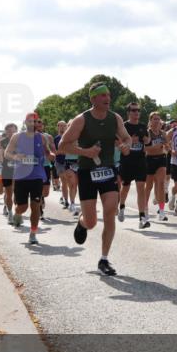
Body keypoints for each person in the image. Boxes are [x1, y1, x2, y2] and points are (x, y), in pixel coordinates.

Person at [58, 84, 133, 276]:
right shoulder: (81, 120)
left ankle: (104, 259)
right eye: (102, 95)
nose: (107, 98)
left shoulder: (114, 118)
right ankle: (82, 223)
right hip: (87, 172)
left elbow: (127, 138)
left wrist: (125, 146)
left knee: (110, 211)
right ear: (93, 99)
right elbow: (63, 145)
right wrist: (85, 152)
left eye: (108, 94)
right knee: (91, 221)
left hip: (108, 170)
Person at [5, 113, 55, 244]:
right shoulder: (17, 137)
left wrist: (52, 156)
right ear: (25, 122)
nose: (33, 124)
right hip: (21, 177)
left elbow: (48, 152)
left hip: (37, 176)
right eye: (30, 121)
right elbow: (7, 153)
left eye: (36, 121)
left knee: (35, 206)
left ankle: (33, 233)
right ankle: (17, 213)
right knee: (22, 207)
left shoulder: (42, 138)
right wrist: (16, 157)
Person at [118, 102, 150, 227]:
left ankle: (142, 218)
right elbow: (119, 144)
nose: (137, 112)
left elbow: (148, 142)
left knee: (141, 188)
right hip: (127, 161)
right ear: (128, 112)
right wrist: (130, 141)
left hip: (140, 161)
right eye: (134, 110)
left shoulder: (143, 126)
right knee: (125, 187)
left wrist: (146, 140)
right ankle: (121, 206)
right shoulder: (124, 126)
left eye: (138, 110)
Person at [143, 111, 169, 224]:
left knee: (161, 183)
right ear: (150, 121)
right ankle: (145, 210)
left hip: (161, 159)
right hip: (149, 160)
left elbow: (168, 147)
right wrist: (157, 146)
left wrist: (167, 147)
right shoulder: (147, 133)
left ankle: (162, 211)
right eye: (154, 119)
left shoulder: (163, 133)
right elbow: (145, 149)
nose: (157, 121)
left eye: (158, 119)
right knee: (148, 186)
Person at [0, 124, 18, 223]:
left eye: (13, 131)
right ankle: (10, 212)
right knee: (8, 193)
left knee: (17, 193)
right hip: (7, 170)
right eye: (9, 131)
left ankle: (16, 212)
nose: (11, 133)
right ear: (6, 132)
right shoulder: (1, 142)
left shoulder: (21, 141)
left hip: (19, 170)